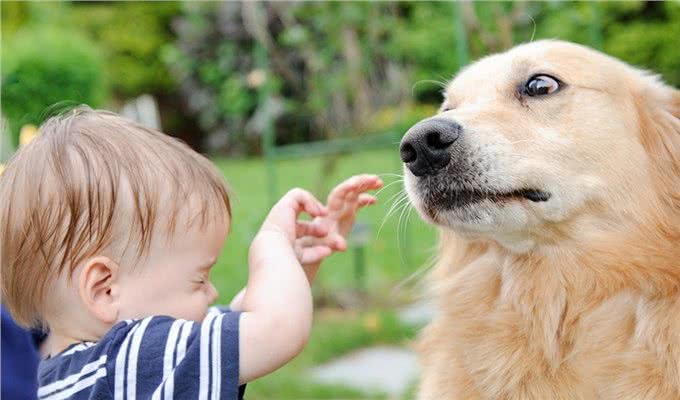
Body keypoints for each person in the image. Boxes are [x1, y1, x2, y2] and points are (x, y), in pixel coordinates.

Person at [0, 107, 382, 399]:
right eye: (199, 278)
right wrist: (272, 246)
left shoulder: (80, 375)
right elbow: (275, 329)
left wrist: (293, 264)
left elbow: (241, 321)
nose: (212, 293)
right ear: (105, 289)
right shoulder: (128, 361)